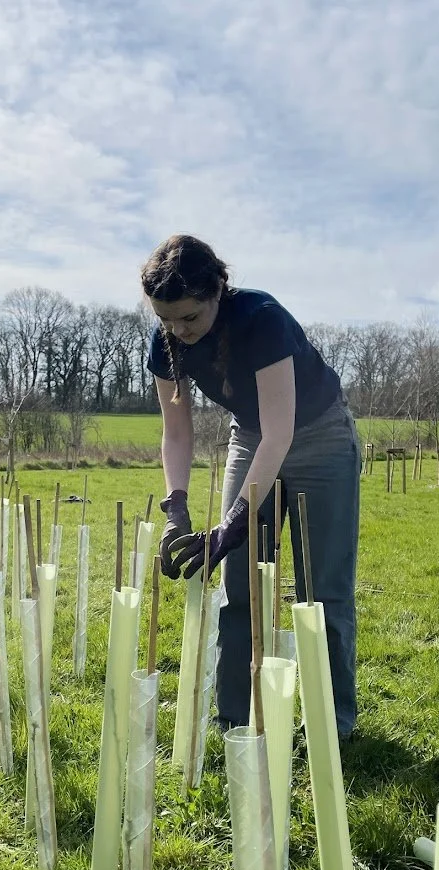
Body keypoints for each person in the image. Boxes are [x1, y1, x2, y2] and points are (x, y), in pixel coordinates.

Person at [142, 234, 361, 739]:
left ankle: (332, 725)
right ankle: (234, 718)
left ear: (218, 289)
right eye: (165, 319)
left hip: (319, 438)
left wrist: (231, 524)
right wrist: (177, 509)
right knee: (235, 582)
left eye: (189, 317)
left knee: (322, 591)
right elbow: (176, 431)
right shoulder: (168, 340)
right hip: (252, 436)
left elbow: (281, 430)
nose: (178, 330)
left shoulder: (262, 319)